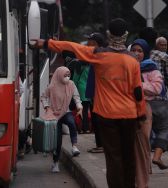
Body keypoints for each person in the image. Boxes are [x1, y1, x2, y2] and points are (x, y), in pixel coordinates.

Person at [33, 18, 146, 187]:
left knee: (113, 157)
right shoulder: (133, 61)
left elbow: (72, 47)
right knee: (128, 156)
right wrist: (141, 114)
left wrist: (46, 43)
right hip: (129, 115)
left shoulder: (98, 55)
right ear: (125, 36)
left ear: (108, 34)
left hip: (106, 115)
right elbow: (138, 91)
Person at [130, 38, 163, 188]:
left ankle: (142, 182)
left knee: (143, 144)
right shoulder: (127, 66)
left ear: (145, 53)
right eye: (134, 50)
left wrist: (138, 85)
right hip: (126, 109)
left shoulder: (151, 68)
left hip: (145, 109)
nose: (136, 53)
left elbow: (157, 88)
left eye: (140, 51)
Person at [41, 66, 83, 173]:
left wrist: (79, 106)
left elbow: (76, 97)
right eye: (65, 75)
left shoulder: (71, 84)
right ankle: (55, 163)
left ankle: (74, 146)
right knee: (57, 141)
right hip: (54, 114)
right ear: (59, 75)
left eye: (68, 75)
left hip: (66, 111)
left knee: (71, 123)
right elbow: (44, 97)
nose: (67, 77)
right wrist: (46, 106)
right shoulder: (52, 86)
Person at [85, 32, 108, 153]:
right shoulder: (94, 53)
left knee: (99, 119)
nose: (87, 43)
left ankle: (102, 145)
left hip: (99, 92)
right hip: (94, 92)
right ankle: (100, 144)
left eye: (89, 41)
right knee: (95, 119)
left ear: (95, 42)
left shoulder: (101, 54)